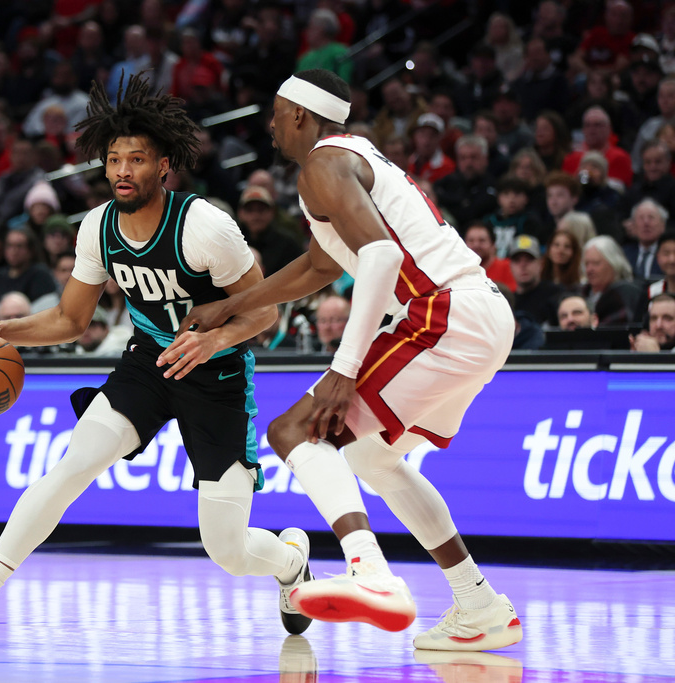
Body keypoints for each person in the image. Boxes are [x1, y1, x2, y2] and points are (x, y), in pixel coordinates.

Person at [0, 72, 314, 652]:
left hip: (217, 376)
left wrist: (213, 341)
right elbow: (71, 321)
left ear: (163, 167)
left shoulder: (205, 226)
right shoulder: (98, 227)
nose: (124, 170)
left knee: (226, 549)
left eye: (138, 159)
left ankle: (291, 560)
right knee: (67, 471)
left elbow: (264, 314)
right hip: (148, 363)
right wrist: (1, 331)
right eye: (114, 159)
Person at [178, 69, 522, 651]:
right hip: (480, 316)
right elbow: (318, 267)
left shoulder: (323, 163)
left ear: (301, 117)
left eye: (277, 112)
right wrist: (231, 307)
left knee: (295, 432)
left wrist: (343, 367)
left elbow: (383, 256)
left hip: (440, 312)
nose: (269, 124)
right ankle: (479, 604)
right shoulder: (351, 162)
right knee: (371, 456)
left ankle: (371, 572)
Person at [581, 235, 639, 326]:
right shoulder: (580, 294)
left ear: (614, 264)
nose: (589, 269)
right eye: (586, 264)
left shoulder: (625, 294)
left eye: (596, 263)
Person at [510, 235, 564, 327]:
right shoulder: (508, 302)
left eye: (529, 259)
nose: (523, 265)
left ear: (541, 263)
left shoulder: (556, 294)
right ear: (510, 266)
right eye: (517, 261)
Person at [464, 222, 516, 292]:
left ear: (493, 244)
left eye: (482, 240)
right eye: (471, 241)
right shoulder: (460, 271)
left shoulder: (508, 267)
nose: (476, 245)